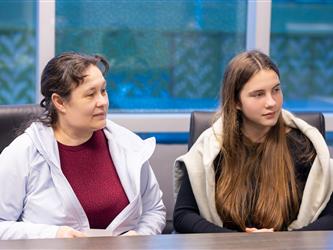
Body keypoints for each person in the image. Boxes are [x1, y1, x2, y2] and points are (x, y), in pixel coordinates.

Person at [0, 52, 166, 240]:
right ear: (60, 102)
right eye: (90, 94)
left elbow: (153, 210)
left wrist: (139, 236)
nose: (103, 102)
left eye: (103, 91)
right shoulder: (24, 152)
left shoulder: (127, 144)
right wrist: (53, 234)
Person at [173, 50, 333, 233]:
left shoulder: (303, 145)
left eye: (276, 90)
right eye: (258, 94)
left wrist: (283, 241)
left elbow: (330, 216)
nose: (271, 102)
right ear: (236, 102)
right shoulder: (212, 148)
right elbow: (183, 215)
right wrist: (239, 241)